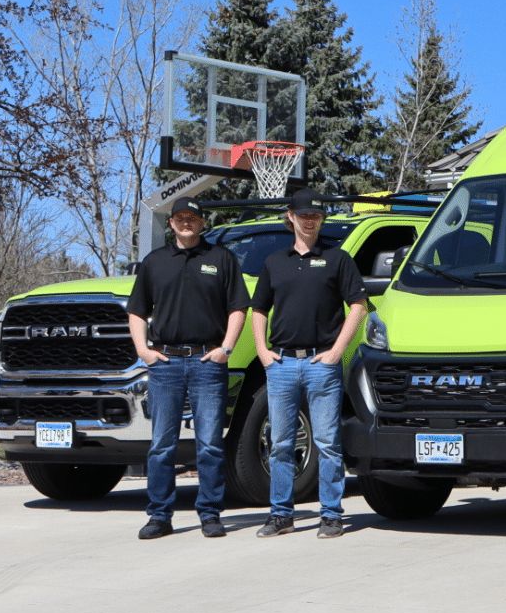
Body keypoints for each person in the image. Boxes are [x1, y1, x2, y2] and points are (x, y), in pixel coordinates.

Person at [128, 196, 250, 539]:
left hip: (207, 362)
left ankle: (210, 514)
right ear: (171, 223)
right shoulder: (154, 262)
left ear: (201, 223)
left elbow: (238, 307)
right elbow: (136, 310)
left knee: (210, 443)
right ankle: (159, 516)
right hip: (164, 363)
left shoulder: (221, 259)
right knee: (161, 444)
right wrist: (143, 350)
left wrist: (226, 348)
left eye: (192, 218)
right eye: (180, 217)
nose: (186, 223)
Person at [251, 188, 369, 539]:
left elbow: (359, 307)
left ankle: (331, 514)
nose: (309, 221)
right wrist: (262, 351)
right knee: (281, 442)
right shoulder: (275, 262)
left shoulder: (338, 259)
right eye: (303, 215)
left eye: (315, 216)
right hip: (282, 363)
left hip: (322, 364)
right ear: (291, 216)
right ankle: (280, 514)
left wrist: (336, 351)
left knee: (328, 442)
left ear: (321, 220)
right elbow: (258, 309)